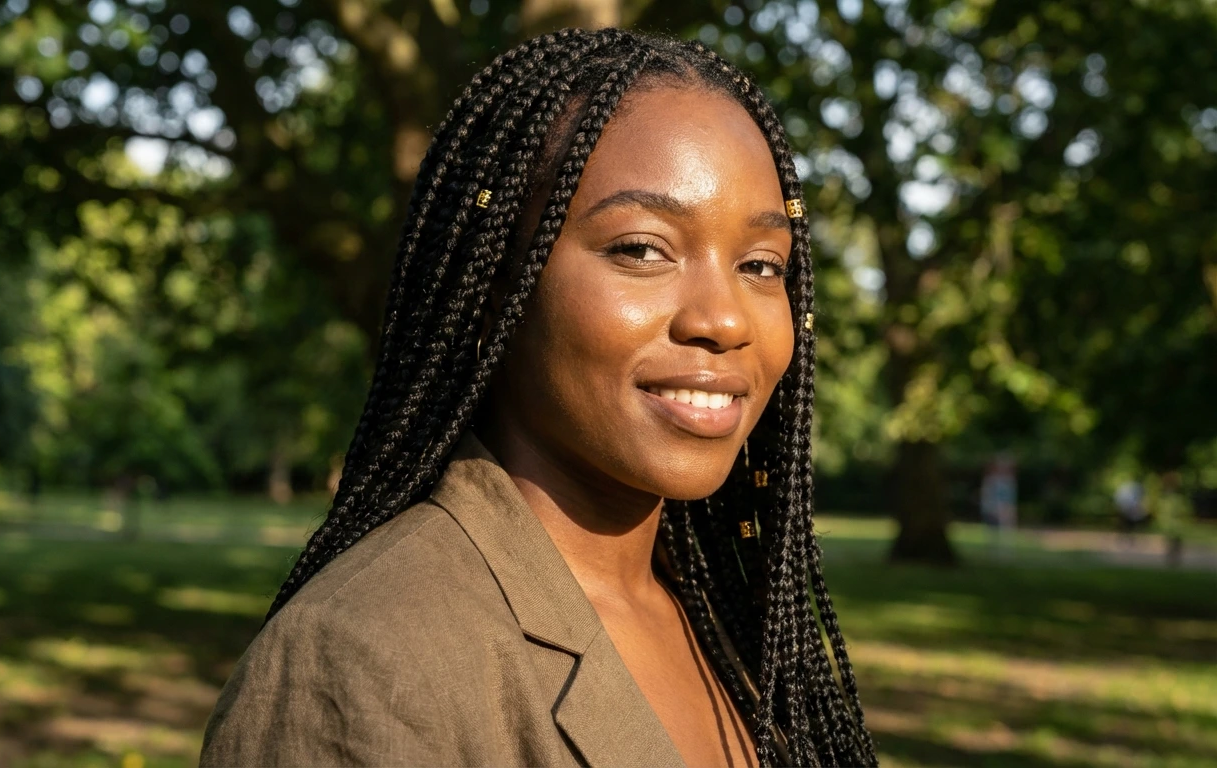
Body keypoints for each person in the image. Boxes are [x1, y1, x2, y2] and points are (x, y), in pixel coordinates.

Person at [200, 29, 876, 768]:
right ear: (495, 290)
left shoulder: (730, 622)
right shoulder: (366, 659)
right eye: (642, 249)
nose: (723, 319)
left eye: (760, 263)